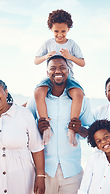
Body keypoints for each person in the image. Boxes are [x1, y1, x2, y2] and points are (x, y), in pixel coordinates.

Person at [27, 55, 94, 194]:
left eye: (62, 67)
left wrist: (80, 129)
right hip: (44, 171)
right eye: (53, 68)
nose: (58, 71)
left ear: (68, 71)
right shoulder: (37, 99)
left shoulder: (80, 100)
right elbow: (25, 127)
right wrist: (37, 127)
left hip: (72, 170)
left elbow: (93, 130)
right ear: (47, 72)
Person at [34, 9, 85, 147]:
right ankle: (46, 128)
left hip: (68, 78)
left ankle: (71, 128)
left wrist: (70, 57)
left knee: (78, 93)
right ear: (51, 29)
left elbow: (82, 63)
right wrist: (46, 56)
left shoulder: (72, 44)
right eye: (56, 31)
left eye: (63, 31)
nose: (60, 34)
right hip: (50, 78)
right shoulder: (47, 43)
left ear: (68, 29)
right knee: (38, 92)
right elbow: (36, 60)